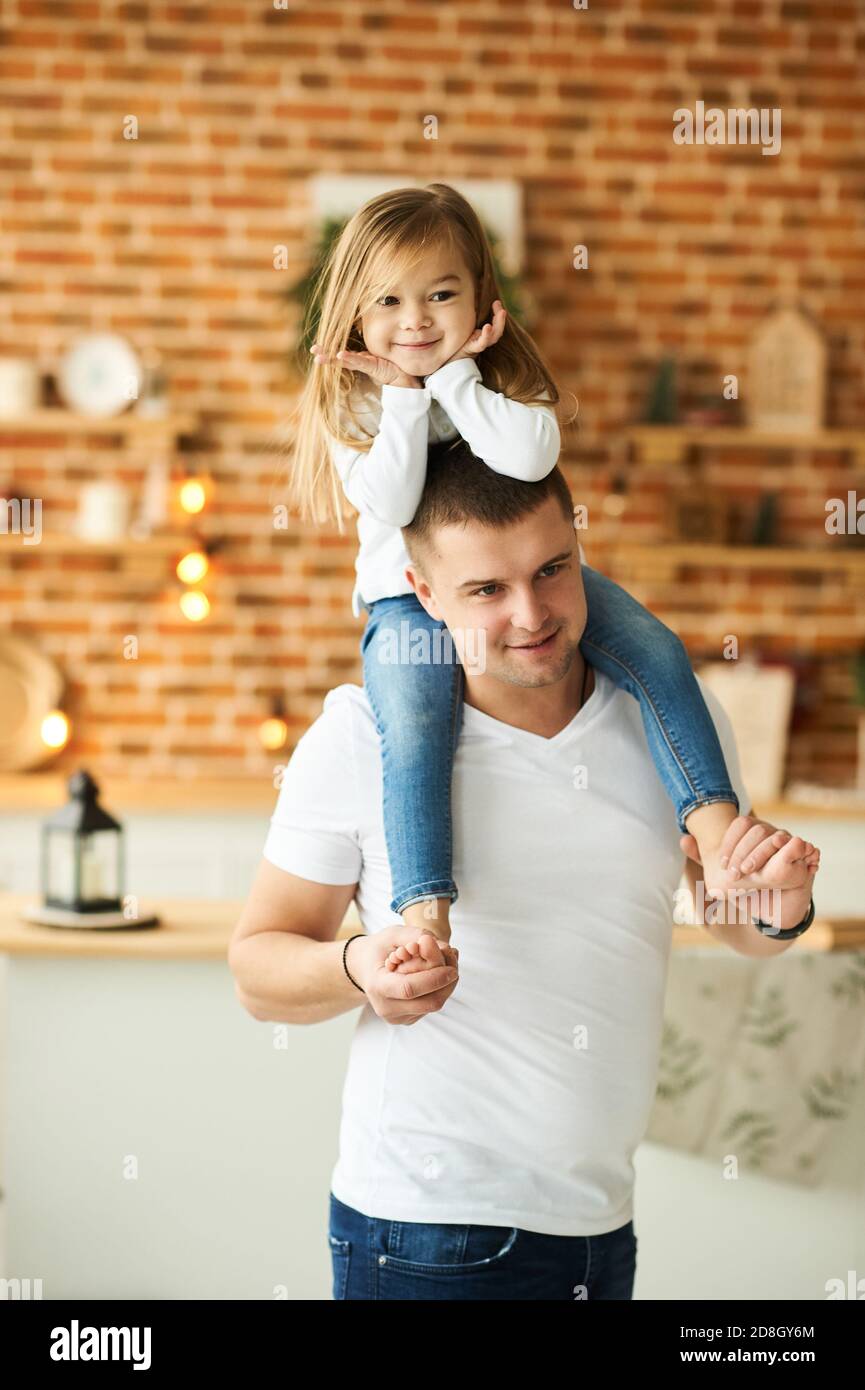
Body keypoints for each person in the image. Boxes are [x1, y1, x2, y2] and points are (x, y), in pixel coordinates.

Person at [230, 442, 820, 1300]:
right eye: (485, 591)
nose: (531, 613)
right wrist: (361, 966)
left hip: (598, 1226)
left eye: (552, 569)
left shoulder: (668, 728)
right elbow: (258, 968)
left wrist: (780, 905)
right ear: (422, 594)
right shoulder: (361, 738)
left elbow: (738, 923)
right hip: (423, 1231)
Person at [285, 180, 787, 955]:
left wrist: (453, 377)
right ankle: (422, 905)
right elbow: (390, 499)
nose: (415, 320)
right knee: (415, 725)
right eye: (387, 302)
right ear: (355, 314)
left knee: (653, 650)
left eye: (440, 295)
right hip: (406, 603)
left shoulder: (499, 385)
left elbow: (527, 455)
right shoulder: (357, 407)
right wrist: (407, 401)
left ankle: (714, 826)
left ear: (480, 300)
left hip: (520, 573)